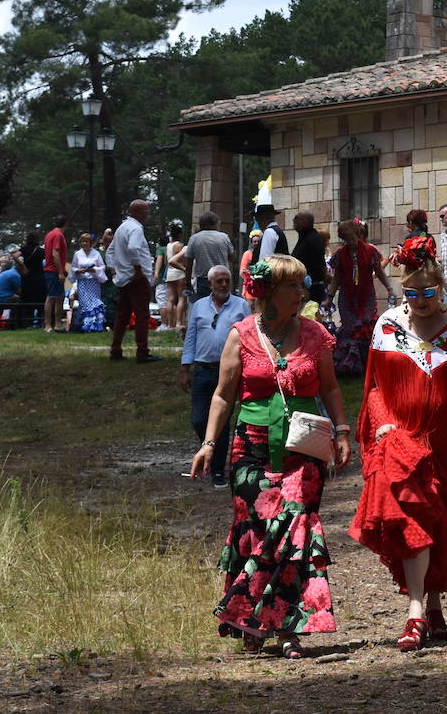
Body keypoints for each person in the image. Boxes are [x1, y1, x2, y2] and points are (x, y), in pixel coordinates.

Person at [350, 235, 447, 651]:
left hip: (443, 445)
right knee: (410, 522)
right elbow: (374, 387)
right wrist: (382, 423)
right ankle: (416, 613)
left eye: (428, 292)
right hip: (399, 441)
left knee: (438, 523)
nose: (419, 300)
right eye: (412, 292)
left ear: (442, 288)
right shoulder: (388, 325)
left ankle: (434, 608)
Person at [190, 254, 353, 658]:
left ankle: (286, 628)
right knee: (258, 532)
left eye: (302, 284)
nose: (301, 292)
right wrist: (210, 443)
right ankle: (254, 621)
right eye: (292, 286)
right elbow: (223, 394)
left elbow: (330, 388)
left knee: (295, 527)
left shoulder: (316, 334)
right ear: (268, 292)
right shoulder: (240, 334)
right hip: (250, 448)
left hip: (303, 447)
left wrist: (343, 430)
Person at [180, 265, 252, 487]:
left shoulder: (241, 306)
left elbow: (249, 339)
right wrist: (185, 368)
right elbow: (191, 337)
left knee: (222, 421)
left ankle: (218, 470)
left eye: (226, 281)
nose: (223, 285)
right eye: (218, 281)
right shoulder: (199, 306)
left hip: (229, 372)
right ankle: (207, 450)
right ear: (209, 284)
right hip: (203, 370)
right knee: (199, 419)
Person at [324, 218, 393, 377]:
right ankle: (350, 365)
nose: (351, 242)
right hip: (347, 298)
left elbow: (379, 272)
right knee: (350, 329)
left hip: (366, 296)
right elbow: (336, 279)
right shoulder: (340, 255)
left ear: (358, 234)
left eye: (353, 238)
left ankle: (368, 362)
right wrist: (329, 297)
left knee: (365, 327)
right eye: (347, 240)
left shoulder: (370, 251)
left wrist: (390, 288)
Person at [110, 200, 161, 363]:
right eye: (146, 212)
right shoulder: (136, 229)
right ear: (138, 212)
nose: (147, 215)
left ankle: (115, 349)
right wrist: (138, 269)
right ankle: (142, 351)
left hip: (123, 278)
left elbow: (111, 250)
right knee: (142, 315)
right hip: (137, 278)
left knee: (122, 315)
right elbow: (133, 248)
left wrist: (113, 269)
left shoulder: (122, 228)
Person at [185, 211, 235, 300]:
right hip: (222, 279)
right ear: (215, 223)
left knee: (204, 306)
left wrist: (188, 282)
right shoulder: (224, 237)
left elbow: (189, 263)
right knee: (222, 305)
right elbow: (232, 258)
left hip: (203, 280)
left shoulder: (194, 238)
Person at [71, 233, 107, 332]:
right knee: (85, 303)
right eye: (83, 241)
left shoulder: (96, 253)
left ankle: (96, 325)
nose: (85, 243)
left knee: (95, 303)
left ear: (90, 243)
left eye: (87, 241)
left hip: (93, 282)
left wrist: (94, 269)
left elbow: (102, 266)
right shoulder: (77, 254)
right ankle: (85, 325)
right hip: (82, 282)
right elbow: (73, 267)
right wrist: (78, 271)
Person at [291, 211, 328, 304]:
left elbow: (320, 263)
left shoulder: (313, 239)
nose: (294, 221)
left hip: (312, 289)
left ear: (306, 221)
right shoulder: (304, 238)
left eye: (297, 218)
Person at [43, 215, 69, 333]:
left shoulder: (50, 234)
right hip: (53, 271)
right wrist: (60, 272)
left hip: (54, 270)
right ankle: (48, 325)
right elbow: (55, 254)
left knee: (60, 297)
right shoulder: (58, 235)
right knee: (52, 297)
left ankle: (58, 324)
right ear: (65, 224)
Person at [163, 221, 188, 333]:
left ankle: (170, 323)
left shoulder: (168, 245)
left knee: (171, 298)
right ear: (179, 234)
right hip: (179, 272)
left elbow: (166, 260)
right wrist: (184, 268)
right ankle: (179, 322)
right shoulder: (179, 245)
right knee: (181, 298)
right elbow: (181, 259)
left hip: (170, 273)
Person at [19, 232, 46, 328]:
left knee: (27, 301)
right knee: (40, 302)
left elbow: (14, 256)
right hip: (39, 278)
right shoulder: (41, 251)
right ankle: (40, 322)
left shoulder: (23, 249)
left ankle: (28, 323)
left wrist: (23, 267)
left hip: (27, 278)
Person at [0, 256, 22, 326]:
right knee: (20, 301)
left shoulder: (6, 273)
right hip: (1, 301)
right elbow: (20, 291)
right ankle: (11, 324)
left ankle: (2, 324)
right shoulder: (15, 275)